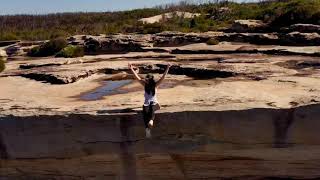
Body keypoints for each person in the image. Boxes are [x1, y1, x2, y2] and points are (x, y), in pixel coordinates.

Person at [129, 63, 172, 138]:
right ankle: (147, 129)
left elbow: (163, 77)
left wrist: (167, 67)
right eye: (146, 80)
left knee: (150, 108)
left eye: (147, 80)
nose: (145, 81)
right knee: (145, 112)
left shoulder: (155, 85)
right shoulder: (146, 85)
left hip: (155, 105)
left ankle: (151, 121)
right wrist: (131, 68)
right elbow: (137, 77)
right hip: (148, 105)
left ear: (150, 80)